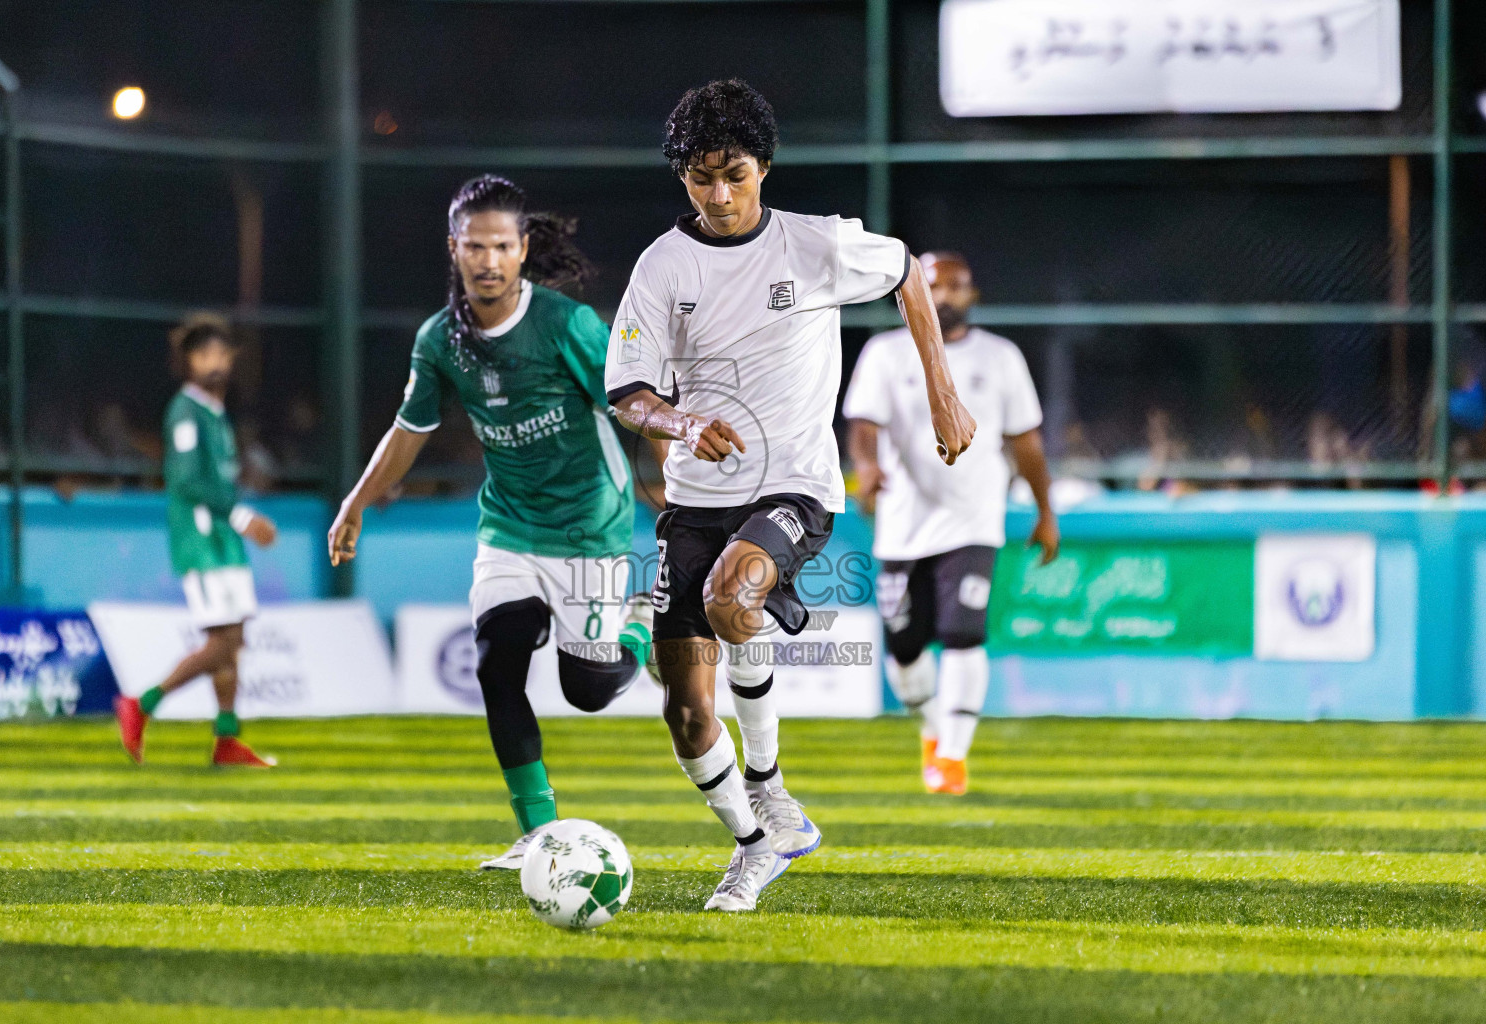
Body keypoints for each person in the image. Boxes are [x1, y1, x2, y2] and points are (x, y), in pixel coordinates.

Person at [606, 80, 978, 911]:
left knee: (733, 595)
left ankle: (771, 785)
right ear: (683, 179)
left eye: (734, 173)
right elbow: (626, 388)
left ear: (764, 167)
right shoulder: (663, 267)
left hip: (795, 486)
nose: (720, 193)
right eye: (701, 177)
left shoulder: (817, 246)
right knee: (688, 715)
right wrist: (673, 418)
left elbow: (908, 276)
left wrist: (942, 391)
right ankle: (755, 841)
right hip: (695, 497)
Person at [327, 175, 656, 870]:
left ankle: (640, 619)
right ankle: (540, 832)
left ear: (522, 249)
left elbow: (635, 400)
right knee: (497, 661)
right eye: (474, 246)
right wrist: (356, 502)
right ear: (454, 249)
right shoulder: (441, 339)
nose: (487, 260)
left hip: (589, 526)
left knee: (588, 690)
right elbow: (409, 429)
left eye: (501, 246)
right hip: (508, 527)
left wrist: (668, 482)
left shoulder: (568, 325)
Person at [844, 251, 1059, 795]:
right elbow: (864, 424)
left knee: (964, 633)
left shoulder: (1002, 357)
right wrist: (866, 467)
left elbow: (1026, 440)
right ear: (912, 294)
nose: (944, 296)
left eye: (956, 287)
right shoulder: (886, 352)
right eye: (934, 286)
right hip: (904, 521)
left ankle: (954, 757)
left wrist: (1044, 510)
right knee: (905, 646)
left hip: (974, 518)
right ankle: (933, 733)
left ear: (973, 295)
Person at [114, 313, 279, 767]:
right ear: (186, 361)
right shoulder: (185, 411)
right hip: (204, 541)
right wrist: (244, 517)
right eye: (204, 354)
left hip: (224, 539)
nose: (215, 362)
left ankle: (226, 741)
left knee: (232, 640)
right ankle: (142, 703)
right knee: (224, 644)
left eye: (222, 353)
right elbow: (186, 483)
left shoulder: (214, 412)